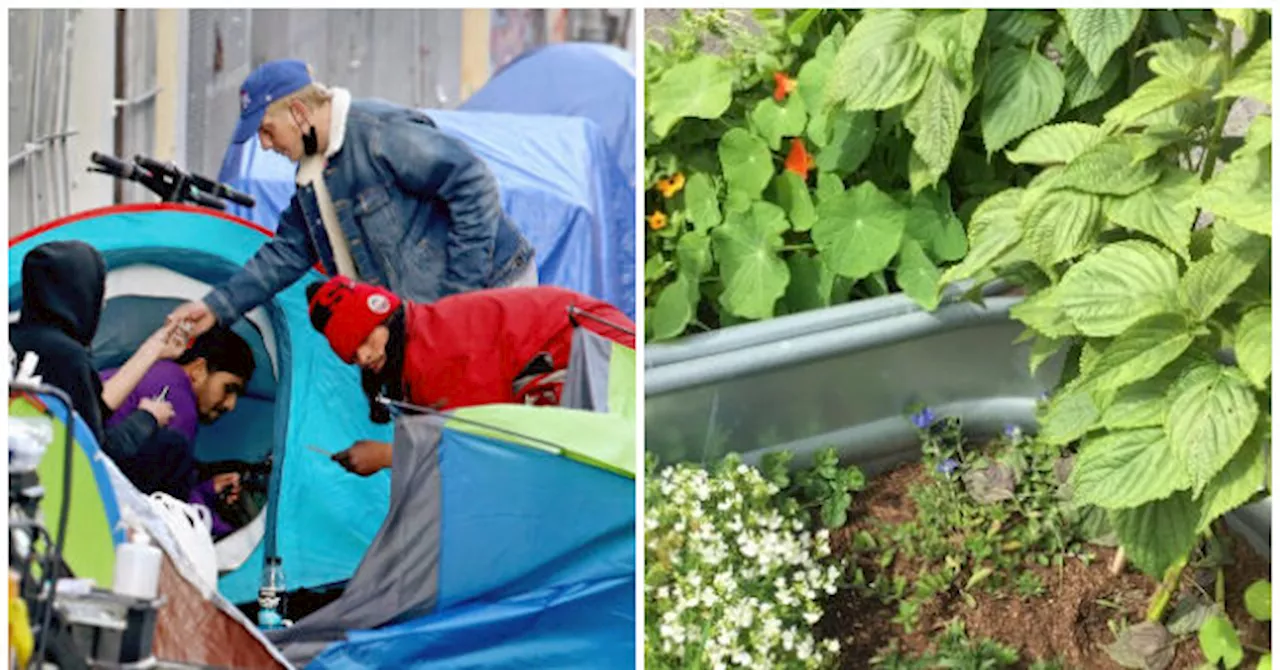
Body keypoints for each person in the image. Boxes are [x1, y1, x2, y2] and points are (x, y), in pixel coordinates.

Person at [168, 58, 536, 340]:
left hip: (492, 291)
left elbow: (473, 184)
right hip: (426, 321)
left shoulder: (378, 134)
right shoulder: (314, 176)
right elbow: (287, 252)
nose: (265, 144)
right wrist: (216, 307)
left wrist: (458, 301)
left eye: (267, 130)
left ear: (298, 113)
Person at [305, 275, 635, 476]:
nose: (363, 356)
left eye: (365, 339)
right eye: (352, 353)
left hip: (594, 353)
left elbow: (488, 438)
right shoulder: (415, 345)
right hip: (583, 350)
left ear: (385, 318)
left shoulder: (440, 354)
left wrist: (387, 456)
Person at [10, 241, 187, 458]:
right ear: (79, 293)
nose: (102, 304)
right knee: (173, 447)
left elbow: (90, 411)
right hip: (56, 483)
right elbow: (95, 453)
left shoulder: (15, 338)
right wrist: (147, 418)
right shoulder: (67, 357)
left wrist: (154, 349)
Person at [101, 327, 256, 538]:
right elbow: (175, 504)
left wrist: (208, 489)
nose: (231, 405)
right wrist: (233, 537)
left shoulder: (160, 373)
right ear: (199, 370)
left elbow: (165, 478)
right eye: (229, 389)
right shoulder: (176, 396)